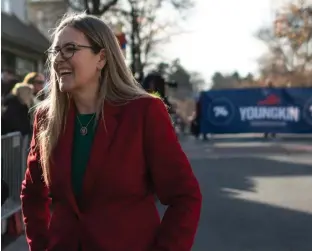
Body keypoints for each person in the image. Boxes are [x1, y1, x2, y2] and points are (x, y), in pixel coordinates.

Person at [21, 13, 201, 251]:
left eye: (70, 49)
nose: (58, 59)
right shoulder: (47, 119)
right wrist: (41, 246)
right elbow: (33, 194)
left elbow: (185, 197)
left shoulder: (143, 112)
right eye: (55, 51)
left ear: (102, 58)